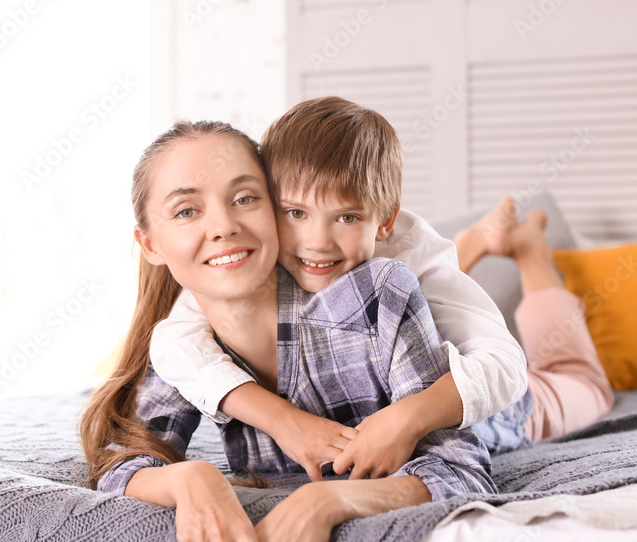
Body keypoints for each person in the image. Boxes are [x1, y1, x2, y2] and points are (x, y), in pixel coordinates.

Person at [78, 117, 500, 542]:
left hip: (492, 400)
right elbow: (123, 460)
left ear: (275, 208)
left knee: (568, 381)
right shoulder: (183, 347)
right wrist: (191, 480)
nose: (223, 226)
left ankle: (508, 253)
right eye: (187, 211)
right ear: (150, 244)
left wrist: (326, 502)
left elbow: (462, 469)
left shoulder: (377, 292)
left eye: (245, 198)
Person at [149, 97, 533, 483]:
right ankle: (474, 241)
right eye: (295, 213)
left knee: (575, 379)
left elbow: (506, 367)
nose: (316, 242)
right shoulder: (252, 261)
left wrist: (404, 419)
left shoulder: (406, 258)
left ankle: (526, 252)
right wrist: (282, 421)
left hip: (508, 406)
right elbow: (174, 341)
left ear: (383, 223)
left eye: (346, 217)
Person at [453, 196, 614, 440]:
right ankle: (524, 249)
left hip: (488, 388)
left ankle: (513, 249)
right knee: (585, 381)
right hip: (494, 394)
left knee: (577, 377)